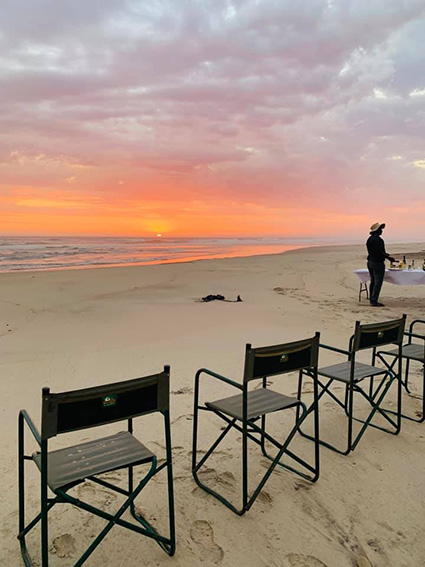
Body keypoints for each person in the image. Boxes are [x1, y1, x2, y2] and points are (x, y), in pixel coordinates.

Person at [366, 222, 396, 307]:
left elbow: (376, 251)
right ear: (377, 231)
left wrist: (386, 255)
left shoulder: (369, 239)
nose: (382, 231)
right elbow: (380, 252)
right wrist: (389, 258)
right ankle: (374, 300)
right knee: (378, 282)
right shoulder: (378, 240)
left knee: (373, 281)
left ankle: (372, 298)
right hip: (377, 263)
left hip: (370, 262)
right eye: (380, 229)